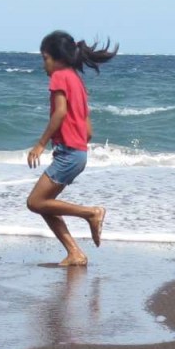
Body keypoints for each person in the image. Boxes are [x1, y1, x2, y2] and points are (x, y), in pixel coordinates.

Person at [25, 31, 117, 266]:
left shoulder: (59, 77)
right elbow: (88, 130)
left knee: (34, 202)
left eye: (45, 58)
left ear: (57, 58)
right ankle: (75, 253)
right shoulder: (76, 79)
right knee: (46, 205)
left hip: (68, 153)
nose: (44, 65)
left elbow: (60, 113)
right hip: (78, 153)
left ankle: (91, 213)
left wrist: (40, 144)